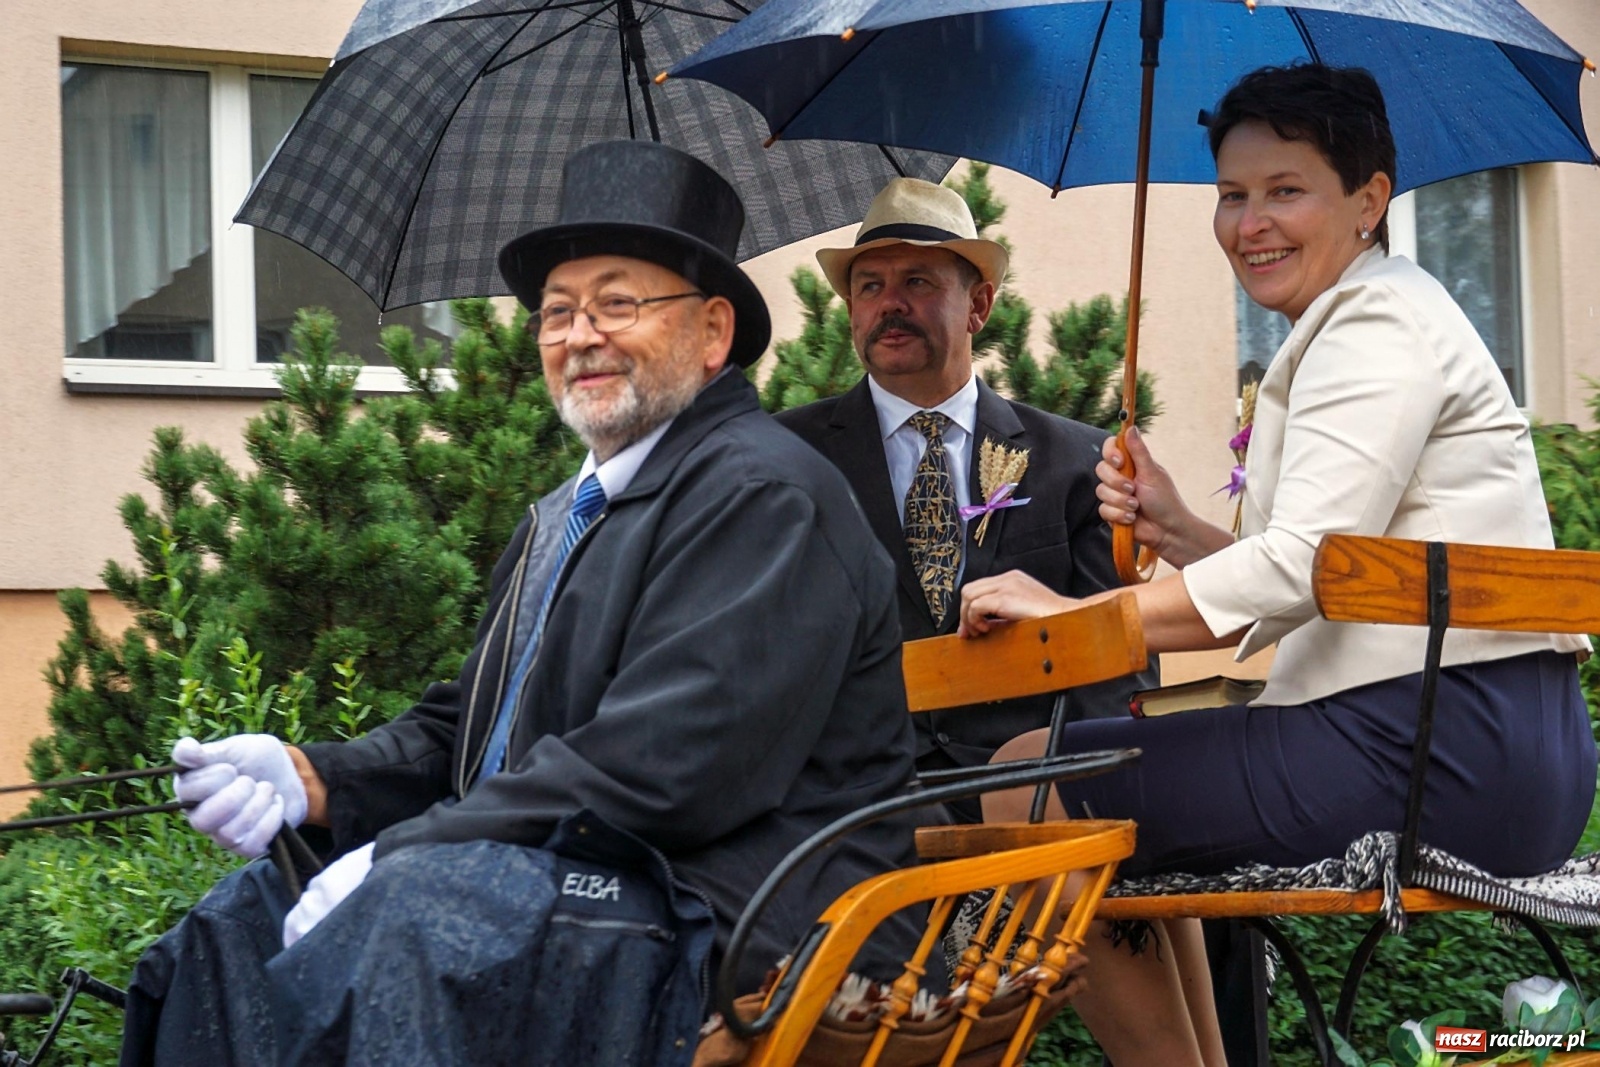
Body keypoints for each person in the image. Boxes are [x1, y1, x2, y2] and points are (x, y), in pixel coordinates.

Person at [121, 140, 932, 1066]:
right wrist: (317, 779)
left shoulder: (764, 493)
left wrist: (398, 855)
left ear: (712, 334)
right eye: (556, 313)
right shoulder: (564, 514)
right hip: (585, 878)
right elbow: (471, 727)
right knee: (235, 923)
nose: (579, 334)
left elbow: (659, 770)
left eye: (618, 303)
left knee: (414, 917)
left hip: (744, 913)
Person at [962, 63, 1598, 1067]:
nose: (1248, 223)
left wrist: (1069, 618)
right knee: (1101, 794)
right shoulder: (1375, 315)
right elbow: (1332, 571)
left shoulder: (1374, 322)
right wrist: (1176, 528)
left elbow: (1302, 565)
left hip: (1434, 744)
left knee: (1024, 785)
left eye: (1283, 191)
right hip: (1494, 740)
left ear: (1370, 199)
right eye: (1230, 194)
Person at [775, 177, 1157, 803]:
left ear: (978, 305)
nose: (889, 304)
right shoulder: (786, 459)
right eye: (869, 286)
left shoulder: (1082, 463)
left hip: (1030, 800)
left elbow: (1116, 667)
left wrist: (1090, 806)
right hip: (844, 808)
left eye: (917, 282)